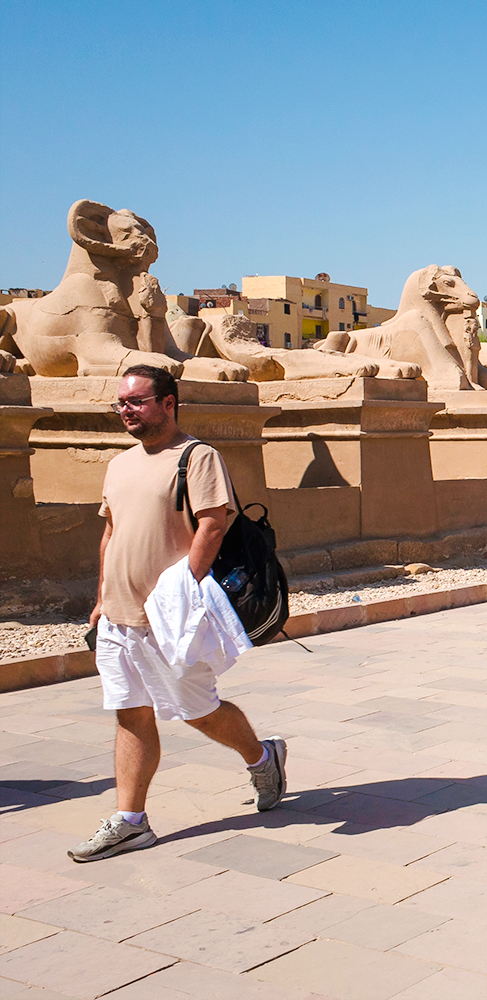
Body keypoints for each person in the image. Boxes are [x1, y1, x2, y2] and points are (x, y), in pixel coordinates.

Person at [72, 365, 286, 863]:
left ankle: (262, 756)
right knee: (130, 714)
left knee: (198, 710)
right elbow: (111, 533)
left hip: (168, 618)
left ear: (168, 403)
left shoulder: (197, 456)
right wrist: (101, 597)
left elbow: (213, 523)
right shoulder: (120, 464)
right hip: (119, 616)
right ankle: (131, 822)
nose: (126, 410)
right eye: (120, 403)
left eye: (137, 401)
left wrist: (183, 589)